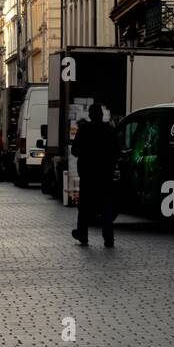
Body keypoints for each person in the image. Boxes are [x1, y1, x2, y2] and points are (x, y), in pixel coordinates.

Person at [70, 103, 119, 248]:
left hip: (88, 176)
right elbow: (117, 151)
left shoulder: (84, 130)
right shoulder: (109, 131)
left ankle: (82, 234)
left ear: (90, 115)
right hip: (105, 175)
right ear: (102, 115)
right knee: (106, 208)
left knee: (84, 207)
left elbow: (75, 151)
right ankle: (108, 238)